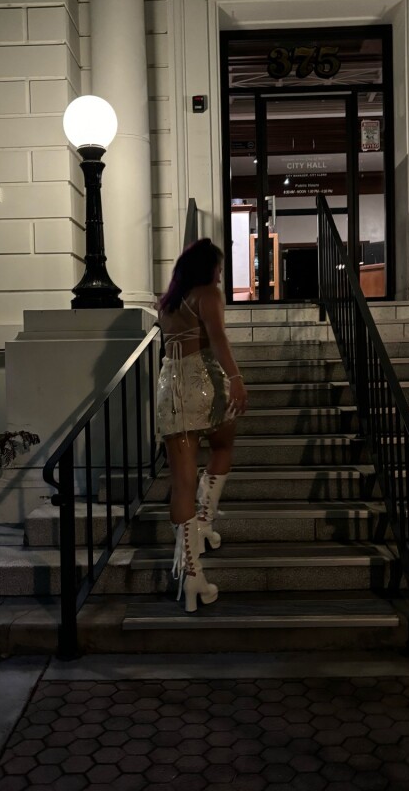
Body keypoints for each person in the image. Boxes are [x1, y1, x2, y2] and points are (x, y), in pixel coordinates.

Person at [155, 238, 249, 612]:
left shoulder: (168, 302)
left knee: (181, 482)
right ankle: (206, 520)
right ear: (208, 269)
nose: (220, 276)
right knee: (222, 445)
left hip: (170, 387)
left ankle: (192, 574)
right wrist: (236, 378)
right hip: (202, 381)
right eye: (219, 269)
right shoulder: (208, 294)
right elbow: (218, 338)